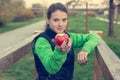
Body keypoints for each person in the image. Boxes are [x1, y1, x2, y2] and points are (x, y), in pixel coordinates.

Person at [31, 2, 100, 80]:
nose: (61, 24)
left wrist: (85, 50)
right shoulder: (41, 41)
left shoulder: (68, 37)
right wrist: (61, 52)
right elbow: (51, 68)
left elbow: (94, 37)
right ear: (47, 20)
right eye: (56, 20)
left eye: (64, 20)